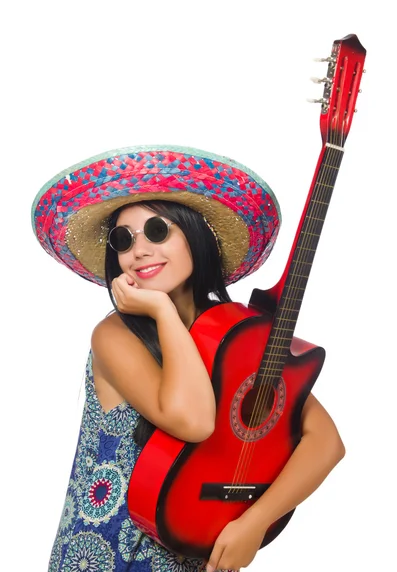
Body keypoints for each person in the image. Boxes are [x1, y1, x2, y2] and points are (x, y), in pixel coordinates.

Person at [31, 145, 345, 572]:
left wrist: (255, 522)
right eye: (124, 240)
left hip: (196, 554)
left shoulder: (235, 339)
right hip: (105, 555)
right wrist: (161, 311)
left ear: (196, 235)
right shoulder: (115, 336)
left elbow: (326, 442)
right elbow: (193, 420)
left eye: (157, 231)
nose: (139, 250)